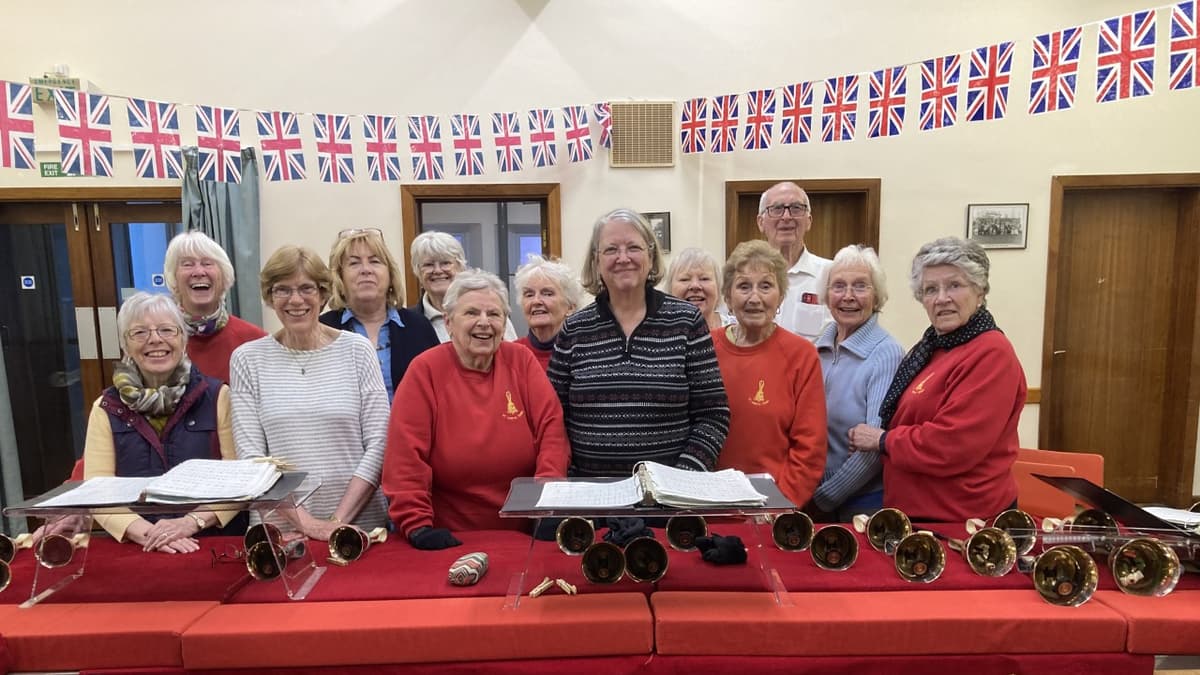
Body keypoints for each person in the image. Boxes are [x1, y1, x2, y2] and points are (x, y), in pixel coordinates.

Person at [383, 270, 570, 549]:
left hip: (525, 533)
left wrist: (545, 505)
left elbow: (551, 434)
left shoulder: (521, 361)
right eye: (471, 313)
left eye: (494, 314)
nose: (484, 322)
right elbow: (404, 459)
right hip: (448, 538)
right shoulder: (425, 371)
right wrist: (417, 525)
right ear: (448, 322)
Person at [847, 237, 1026, 522]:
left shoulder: (991, 353)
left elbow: (952, 445)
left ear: (980, 291)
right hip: (916, 513)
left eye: (954, 285)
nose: (942, 298)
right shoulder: (933, 346)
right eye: (931, 289)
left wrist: (882, 440)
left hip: (963, 522)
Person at [548, 208, 729, 476]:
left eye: (633, 247)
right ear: (596, 261)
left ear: (651, 256)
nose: (623, 258)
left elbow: (713, 414)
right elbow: (553, 419)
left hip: (670, 493)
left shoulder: (686, 322)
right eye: (611, 249)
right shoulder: (574, 329)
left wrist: (683, 477)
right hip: (590, 491)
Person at [231, 246, 388, 541]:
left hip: (357, 531)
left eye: (306, 288)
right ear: (269, 296)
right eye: (282, 289)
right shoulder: (247, 359)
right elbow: (253, 459)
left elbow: (380, 443)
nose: (295, 300)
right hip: (283, 535)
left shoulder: (357, 350)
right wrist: (309, 526)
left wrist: (335, 523)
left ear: (323, 293)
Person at [83, 292, 239, 552]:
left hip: (213, 545)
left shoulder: (218, 397)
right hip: (139, 548)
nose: (155, 339)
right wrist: (150, 534)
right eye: (140, 332)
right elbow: (97, 489)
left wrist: (190, 523)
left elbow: (239, 479)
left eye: (167, 330)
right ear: (125, 345)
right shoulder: (106, 408)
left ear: (183, 339)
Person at [711, 241, 827, 508]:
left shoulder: (802, 355)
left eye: (765, 286)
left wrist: (780, 504)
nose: (755, 298)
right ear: (727, 297)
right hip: (710, 502)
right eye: (743, 286)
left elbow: (810, 448)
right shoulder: (705, 348)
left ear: (781, 296)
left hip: (775, 505)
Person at [812, 245, 903, 521]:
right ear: (826, 295)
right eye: (839, 286)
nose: (848, 296)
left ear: (876, 296)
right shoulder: (816, 348)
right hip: (811, 492)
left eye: (860, 286)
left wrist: (823, 499)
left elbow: (873, 450)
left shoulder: (886, 353)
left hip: (861, 503)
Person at [320, 228, 439, 402]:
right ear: (339, 277)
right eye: (354, 263)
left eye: (375, 261)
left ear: (390, 275)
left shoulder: (418, 326)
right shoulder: (322, 330)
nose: (366, 270)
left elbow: (439, 391)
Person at [164, 230, 267, 384]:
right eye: (187, 264)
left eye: (207, 263)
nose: (199, 272)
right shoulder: (159, 342)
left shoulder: (255, 340)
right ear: (174, 279)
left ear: (224, 277)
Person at [409, 231, 517, 343]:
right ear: (418, 272)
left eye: (445, 263)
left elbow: (509, 351)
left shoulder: (491, 313)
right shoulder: (408, 322)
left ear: (461, 267)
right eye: (428, 265)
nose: (437, 270)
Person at [757, 181, 832, 341]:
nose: (786, 217)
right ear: (761, 222)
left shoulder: (831, 275)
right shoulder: (742, 278)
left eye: (796, 208)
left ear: (809, 221)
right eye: (777, 208)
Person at [514, 254, 584, 370]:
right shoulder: (510, 354)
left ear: (570, 307)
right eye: (529, 295)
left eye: (547, 294)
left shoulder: (586, 352)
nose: (536, 301)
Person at [664, 247, 729, 330]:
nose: (695, 286)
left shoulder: (738, 329)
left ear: (718, 286)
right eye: (685, 279)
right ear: (670, 288)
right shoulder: (657, 331)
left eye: (704, 278)